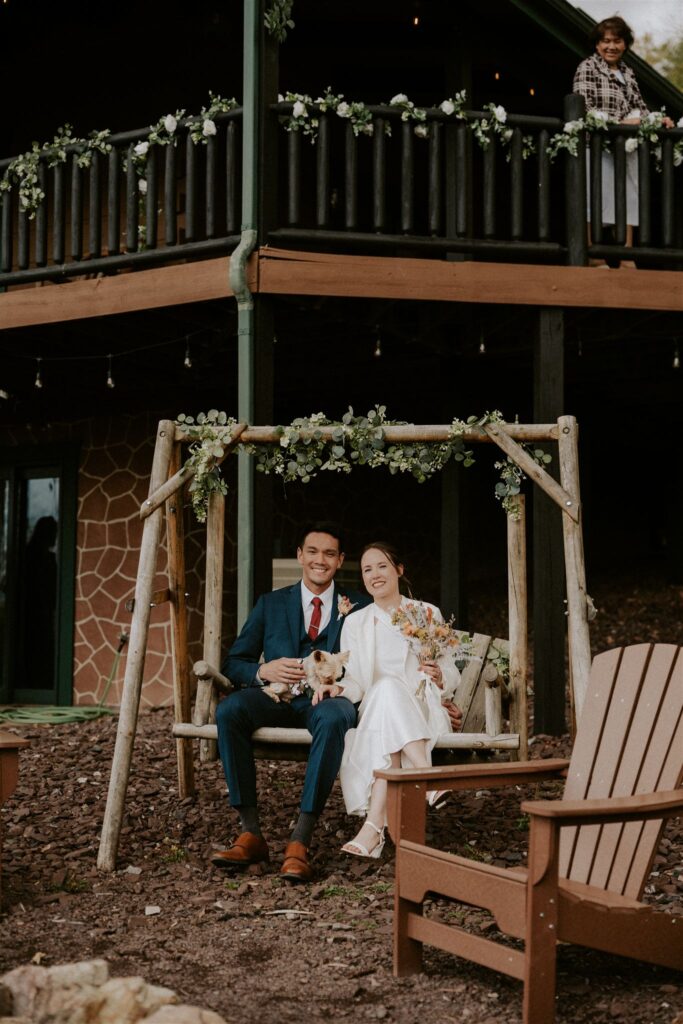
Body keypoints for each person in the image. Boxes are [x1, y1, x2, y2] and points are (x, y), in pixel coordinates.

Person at [212, 522, 369, 883]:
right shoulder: (271, 603)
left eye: (329, 553)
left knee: (335, 717)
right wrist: (263, 670)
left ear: (340, 560)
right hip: (276, 700)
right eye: (312, 551)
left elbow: (372, 661)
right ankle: (250, 833)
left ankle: (300, 841)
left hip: (327, 701)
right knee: (231, 709)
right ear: (299, 555)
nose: (320, 560)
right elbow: (234, 662)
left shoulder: (358, 607)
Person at [312, 541, 463, 859]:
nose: (374, 574)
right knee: (385, 690)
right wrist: (337, 689)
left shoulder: (426, 614)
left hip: (419, 710)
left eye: (381, 566)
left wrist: (439, 676)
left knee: (391, 693)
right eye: (367, 569)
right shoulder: (355, 622)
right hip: (376, 710)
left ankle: (373, 829)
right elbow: (355, 681)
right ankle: (427, 776)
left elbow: (450, 673)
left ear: (399, 570)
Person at [572, 16, 674, 269]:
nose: (611, 46)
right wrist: (624, 123)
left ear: (625, 44)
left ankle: (627, 258)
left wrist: (658, 120)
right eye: (605, 41)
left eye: (617, 41)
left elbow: (639, 107)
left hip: (623, 148)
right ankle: (595, 258)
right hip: (595, 145)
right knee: (595, 197)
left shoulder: (628, 72)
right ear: (597, 45)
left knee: (627, 197)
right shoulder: (587, 67)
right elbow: (585, 108)